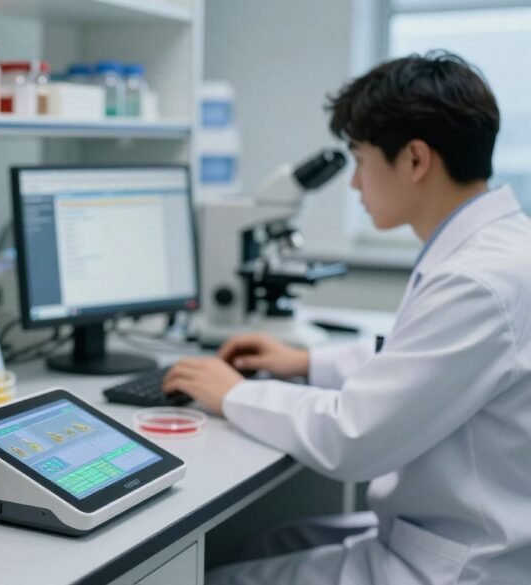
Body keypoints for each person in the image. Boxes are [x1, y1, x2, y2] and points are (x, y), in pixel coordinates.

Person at [164, 51, 531, 584]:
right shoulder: (498, 247)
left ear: (414, 160)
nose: (356, 185)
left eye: (359, 160)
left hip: (464, 563)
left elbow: (351, 438)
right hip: (459, 529)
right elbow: (418, 363)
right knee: (271, 540)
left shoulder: (477, 281)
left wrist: (232, 393)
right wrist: (307, 362)